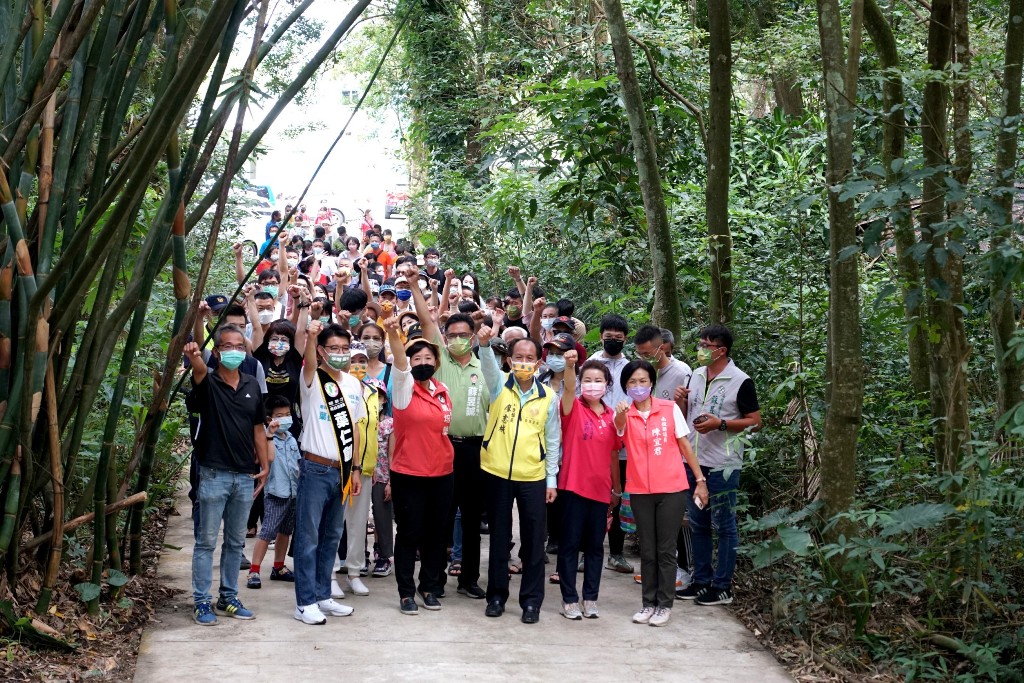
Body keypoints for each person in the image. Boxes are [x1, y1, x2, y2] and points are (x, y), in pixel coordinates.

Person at [406, 270, 490, 600]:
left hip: (475, 451)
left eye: (463, 334)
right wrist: (414, 285)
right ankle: (434, 578)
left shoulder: (485, 364)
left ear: (473, 336)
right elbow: (427, 322)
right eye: (451, 333)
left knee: (471, 520)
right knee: (439, 518)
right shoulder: (439, 362)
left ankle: (469, 577)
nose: (457, 338)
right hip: (442, 448)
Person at [184, 327, 269, 625]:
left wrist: (265, 464)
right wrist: (195, 355)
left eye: (239, 346)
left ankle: (229, 596)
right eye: (227, 346)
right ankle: (201, 601)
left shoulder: (251, 384)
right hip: (213, 473)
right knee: (206, 541)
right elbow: (197, 371)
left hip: (244, 475)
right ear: (217, 352)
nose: (234, 351)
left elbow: (258, 427)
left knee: (235, 542)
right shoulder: (209, 381)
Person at [613, 360, 708, 628]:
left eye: (643, 381)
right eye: (632, 382)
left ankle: (664, 605)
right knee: (648, 550)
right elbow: (618, 434)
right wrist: (621, 414)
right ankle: (648, 604)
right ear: (625, 387)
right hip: (640, 489)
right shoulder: (624, 413)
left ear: (652, 383)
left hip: (672, 489)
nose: (638, 386)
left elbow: (685, 446)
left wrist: (700, 480)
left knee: (666, 550)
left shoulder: (669, 409)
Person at [477, 329, 561, 624]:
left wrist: (551, 479)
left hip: (533, 475)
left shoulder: (548, 397)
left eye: (530, 358)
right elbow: (487, 364)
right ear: (509, 361)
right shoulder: (499, 385)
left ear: (539, 364)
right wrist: (485, 344)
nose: (524, 362)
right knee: (499, 538)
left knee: (534, 539)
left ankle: (531, 602)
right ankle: (497, 596)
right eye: (518, 357)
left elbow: (552, 440)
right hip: (497, 471)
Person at [678, 324, 761, 607]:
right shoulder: (696, 375)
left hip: (723, 465)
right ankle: (701, 581)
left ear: (722, 350)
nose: (701, 350)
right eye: (699, 344)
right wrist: (682, 401)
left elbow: (755, 421)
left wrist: (721, 424)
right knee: (698, 523)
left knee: (724, 525)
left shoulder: (740, 380)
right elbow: (688, 415)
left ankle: (722, 586)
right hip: (694, 462)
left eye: (706, 345)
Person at [292, 321, 365, 624]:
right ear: (321, 350)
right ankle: (304, 602)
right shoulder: (312, 378)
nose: (339, 353)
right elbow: (308, 360)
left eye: (345, 349)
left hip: (344, 470)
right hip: (315, 467)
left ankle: (323, 595)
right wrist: (310, 335)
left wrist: (357, 469)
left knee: (332, 536)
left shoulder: (352, 383)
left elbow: (358, 428)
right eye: (333, 348)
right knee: (308, 537)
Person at [383, 316, 456, 615]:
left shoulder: (442, 390)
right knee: (410, 533)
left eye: (428, 357)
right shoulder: (403, 389)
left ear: (437, 361)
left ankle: (429, 586)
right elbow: (400, 364)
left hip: (442, 472)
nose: (423, 361)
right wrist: (392, 333)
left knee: (436, 533)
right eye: (417, 357)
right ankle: (405, 592)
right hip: (409, 473)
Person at [556, 354, 621, 620]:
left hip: (601, 491)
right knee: (570, 545)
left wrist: (616, 490)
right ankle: (569, 599)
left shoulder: (613, 415)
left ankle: (590, 598)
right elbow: (569, 387)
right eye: (588, 380)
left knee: (596, 547)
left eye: (598, 380)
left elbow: (614, 455)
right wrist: (570, 366)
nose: (593, 384)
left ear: (607, 384)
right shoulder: (572, 408)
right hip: (573, 488)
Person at [633, 324, 693, 589]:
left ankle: (685, 569)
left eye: (648, 352)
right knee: (651, 522)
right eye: (639, 353)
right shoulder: (643, 375)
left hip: (673, 457)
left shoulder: (681, 373)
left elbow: (685, 415)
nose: (644, 357)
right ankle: (656, 569)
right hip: (647, 459)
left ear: (662, 348)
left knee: (679, 519)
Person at [588, 314, 633, 574]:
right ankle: (586, 552)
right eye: (609, 337)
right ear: (601, 335)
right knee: (590, 497)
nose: (613, 341)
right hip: (594, 441)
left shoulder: (631, 366)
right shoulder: (592, 363)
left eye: (618, 338)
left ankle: (616, 553)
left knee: (619, 497)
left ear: (625, 339)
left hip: (623, 444)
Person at [341, 343, 383, 596]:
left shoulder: (372, 392)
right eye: (352, 360)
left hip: (364, 468)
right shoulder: (334, 388)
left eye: (362, 361)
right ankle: (332, 571)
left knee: (357, 523)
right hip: (337, 467)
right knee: (333, 523)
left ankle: (354, 572)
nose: (357, 365)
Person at [247, 395, 300, 589]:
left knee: (285, 531)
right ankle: (254, 570)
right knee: (267, 531)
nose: (286, 418)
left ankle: (279, 566)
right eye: (280, 415)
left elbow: (297, 465)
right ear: (270, 418)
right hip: (276, 493)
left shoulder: (292, 439)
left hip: (292, 493)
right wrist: (269, 434)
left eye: (288, 414)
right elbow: (268, 459)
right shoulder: (265, 437)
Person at [370, 387, 395, 577]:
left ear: (384, 400)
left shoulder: (389, 424)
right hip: (362, 476)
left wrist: (390, 482)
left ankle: (384, 556)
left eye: (378, 396)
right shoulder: (361, 421)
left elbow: (392, 454)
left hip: (382, 476)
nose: (375, 400)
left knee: (382, 518)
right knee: (359, 520)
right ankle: (360, 556)